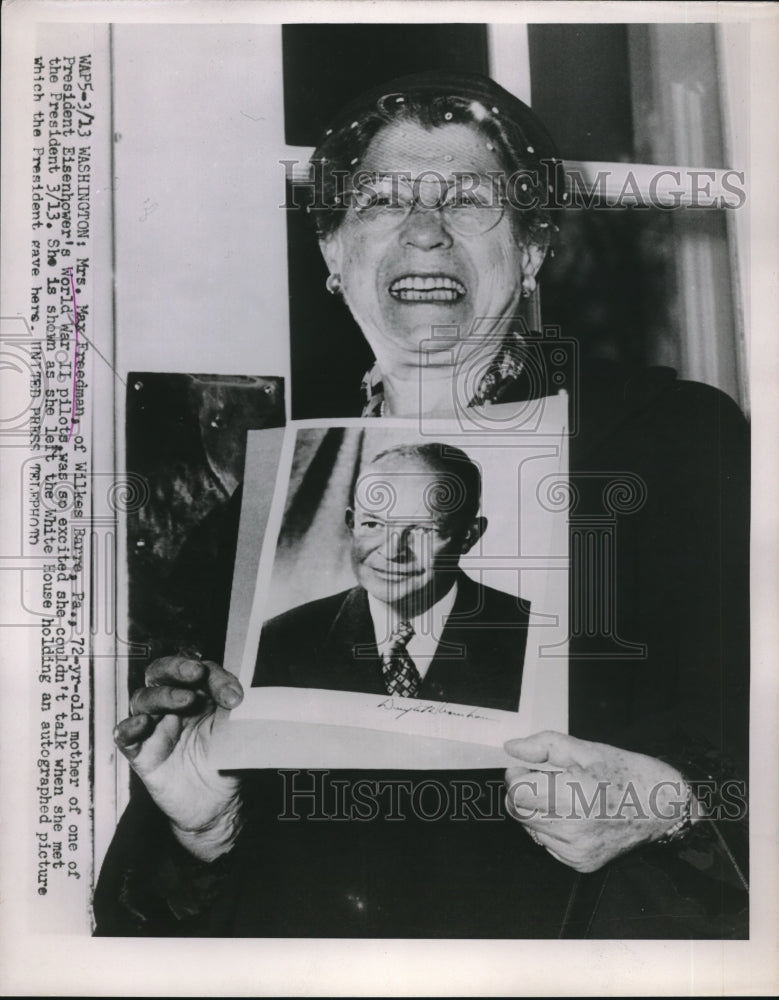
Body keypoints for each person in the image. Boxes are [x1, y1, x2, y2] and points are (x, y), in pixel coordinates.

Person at [94, 71, 749, 937]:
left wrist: (667, 802)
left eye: (470, 199)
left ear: (532, 247)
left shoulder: (675, 448)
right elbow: (151, 919)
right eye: (378, 202)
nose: (424, 230)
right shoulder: (244, 534)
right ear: (332, 253)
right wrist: (200, 827)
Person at [254, 443, 530, 711]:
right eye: (373, 524)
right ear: (352, 524)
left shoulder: (530, 637)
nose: (392, 551)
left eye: (423, 530)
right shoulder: (279, 644)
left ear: (468, 536)